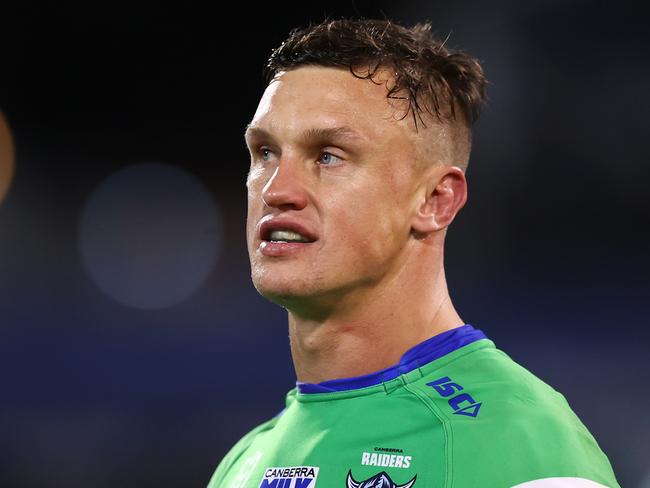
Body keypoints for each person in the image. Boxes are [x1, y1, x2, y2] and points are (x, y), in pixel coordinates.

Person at [207, 18, 619, 488]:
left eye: (328, 155)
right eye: (265, 153)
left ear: (435, 201)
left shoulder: (516, 444)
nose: (278, 189)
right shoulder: (244, 462)